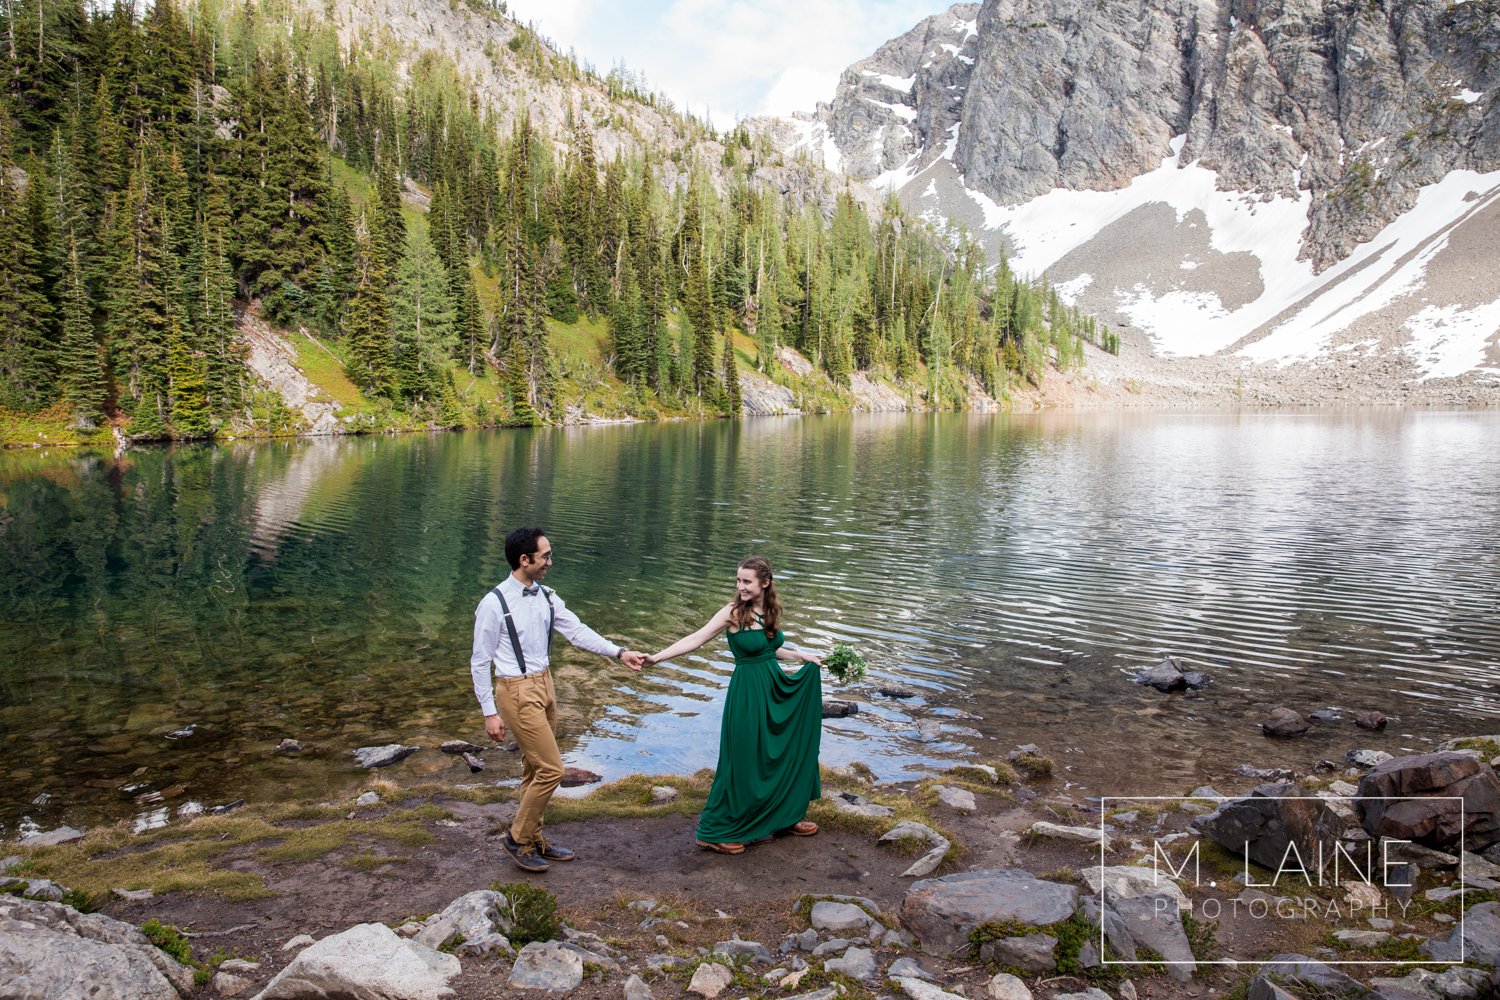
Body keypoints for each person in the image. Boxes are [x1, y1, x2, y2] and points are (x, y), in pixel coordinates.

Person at [471, 526, 647, 872]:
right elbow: (479, 661)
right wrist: (489, 712)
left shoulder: (548, 596)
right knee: (552, 770)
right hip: (515, 690)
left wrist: (619, 652)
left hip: (545, 685)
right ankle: (517, 839)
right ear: (525, 559)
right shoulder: (493, 604)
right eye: (546, 556)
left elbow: (577, 632)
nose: (551, 562)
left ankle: (533, 839)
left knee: (534, 768)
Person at [647, 556, 824, 855]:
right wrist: (656, 657)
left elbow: (771, 648)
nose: (740, 586)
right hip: (747, 694)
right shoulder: (732, 612)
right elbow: (696, 638)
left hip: (774, 689)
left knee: (779, 753)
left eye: (746, 581)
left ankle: (784, 816)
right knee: (741, 761)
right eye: (738, 580)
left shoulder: (769, 609)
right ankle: (714, 832)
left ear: (765, 583)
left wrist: (801, 656)